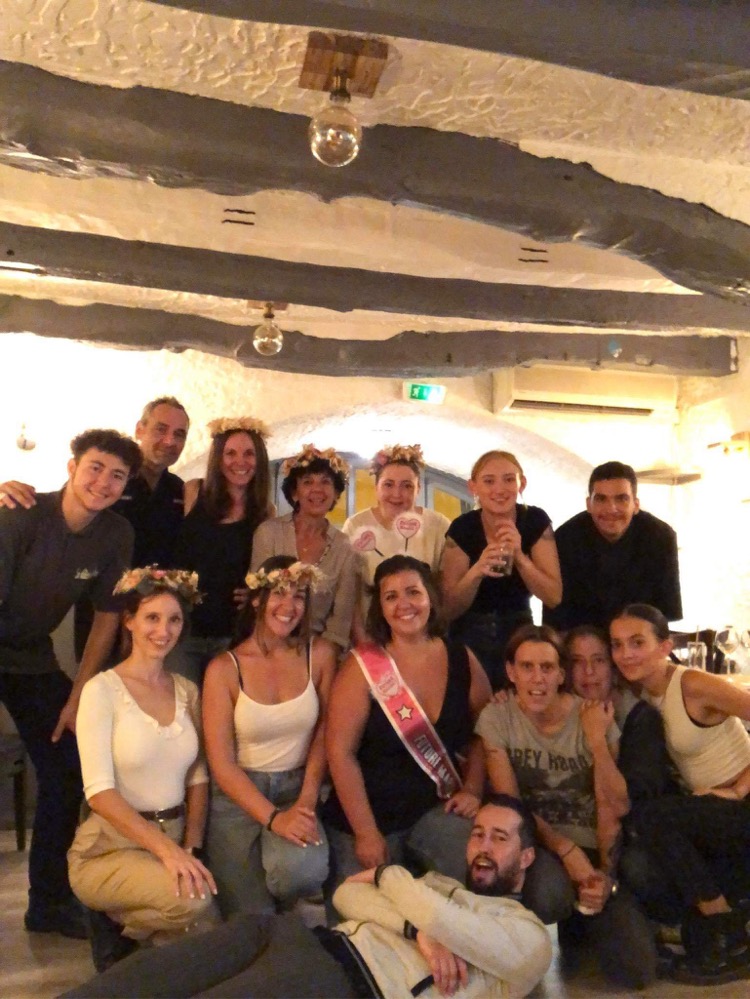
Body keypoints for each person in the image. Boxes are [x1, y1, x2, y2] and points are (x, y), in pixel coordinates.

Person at [61, 796, 552, 999]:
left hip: (343, 981)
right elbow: (350, 896)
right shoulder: (442, 886)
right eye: (478, 834)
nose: (483, 847)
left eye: (500, 839)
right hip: (296, 935)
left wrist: (390, 875)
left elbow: (436, 917)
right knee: (154, 973)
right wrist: (414, 929)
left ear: (527, 856)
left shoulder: (528, 939)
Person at [0, 429, 140, 938]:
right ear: (72, 467)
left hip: (31, 658)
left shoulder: (116, 533)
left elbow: (107, 616)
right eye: (95, 468)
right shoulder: (19, 513)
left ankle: (49, 903)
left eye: (117, 476)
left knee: (66, 768)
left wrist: (79, 694)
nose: (103, 482)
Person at [476, 623, 657, 988]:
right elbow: (512, 807)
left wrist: (604, 873)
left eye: (547, 667)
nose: (537, 678)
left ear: (561, 674)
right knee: (550, 894)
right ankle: (566, 917)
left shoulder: (592, 716)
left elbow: (614, 805)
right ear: (510, 672)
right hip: (540, 846)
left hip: (592, 846)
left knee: (637, 972)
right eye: (526, 667)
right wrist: (565, 849)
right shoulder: (497, 717)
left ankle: (584, 920)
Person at [67, 566, 217, 972]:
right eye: (152, 617)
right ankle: (124, 933)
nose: (163, 630)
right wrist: (168, 853)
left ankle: (131, 947)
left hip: (175, 833)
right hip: (109, 846)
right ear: (129, 620)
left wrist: (190, 846)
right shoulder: (102, 690)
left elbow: (197, 777)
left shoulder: (187, 690)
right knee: (193, 905)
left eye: (174, 620)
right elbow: (99, 793)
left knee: (204, 932)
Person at [324, 555, 492, 897]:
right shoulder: (362, 667)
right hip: (369, 818)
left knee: (476, 881)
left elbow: (485, 732)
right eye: (391, 596)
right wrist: (366, 833)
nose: (404, 604)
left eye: (413, 592)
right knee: (362, 915)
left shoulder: (462, 658)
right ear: (380, 608)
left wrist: (473, 789)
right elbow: (340, 754)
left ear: (430, 597)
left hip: (436, 811)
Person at [610, 604, 750, 984]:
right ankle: (723, 929)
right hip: (714, 813)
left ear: (665, 646)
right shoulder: (641, 691)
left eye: (637, 642)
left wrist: (739, 788)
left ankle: (727, 928)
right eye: (617, 644)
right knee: (698, 947)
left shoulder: (692, 685)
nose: (625, 654)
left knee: (652, 816)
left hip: (741, 804)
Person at [0, 397, 191, 656]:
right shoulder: (98, 488)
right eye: (161, 429)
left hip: (156, 619)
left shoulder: (180, 491)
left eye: (179, 434)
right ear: (140, 429)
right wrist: (5, 491)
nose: (169, 441)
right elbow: (66, 505)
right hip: (99, 610)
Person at [202, 557, 335, 917]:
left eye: (299, 596)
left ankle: (293, 898)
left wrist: (306, 801)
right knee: (250, 920)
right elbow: (222, 764)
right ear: (257, 599)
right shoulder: (223, 668)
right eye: (278, 593)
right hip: (238, 795)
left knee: (299, 875)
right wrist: (275, 819)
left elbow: (324, 735)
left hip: (297, 786)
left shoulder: (321, 654)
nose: (288, 606)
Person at [441, 450, 561, 689]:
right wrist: (477, 570)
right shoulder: (463, 528)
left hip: (519, 628)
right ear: (473, 487)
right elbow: (448, 609)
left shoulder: (534, 521)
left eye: (508, 480)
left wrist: (520, 557)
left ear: (521, 484)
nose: (499, 489)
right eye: (489, 481)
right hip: (469, 630)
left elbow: (553, 596)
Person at [170, 417, 273, 684]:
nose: (240, 461)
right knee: (181, 703)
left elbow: (264, 570)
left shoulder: (265, 511)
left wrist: (255, 591)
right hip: (183, 626)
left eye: (249, 453)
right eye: (230, 453)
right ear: (218, 457)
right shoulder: (193, 491)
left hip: (232, 631)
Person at [544, 460, 682, 632]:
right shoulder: (565, 538)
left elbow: (664, 615)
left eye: (621, 499)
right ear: (588, 504)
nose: (611, 509)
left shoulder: (661, 537)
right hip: (584, 641)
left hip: (639, 638)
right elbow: (557, 621)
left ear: (636, 505)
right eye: (601, 499)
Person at [251, 444, 357, 654]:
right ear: (294, 493)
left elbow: (340, 620)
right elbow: (258, 598)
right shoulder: (269, 533)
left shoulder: (345, 547)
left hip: (319, 652)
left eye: (325, 482)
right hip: (268, 646)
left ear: (336, 494)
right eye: (308, 482)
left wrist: (319, 658)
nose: (317, 489)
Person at [342, 444, 449, 637]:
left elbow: (444, 588)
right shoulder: (356, 526)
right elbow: (350, 590)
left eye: (407, 486)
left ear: (418, 489)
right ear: (376, 488)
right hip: (373, 633)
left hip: (425, 633)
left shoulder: (438, 525)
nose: (397, 494)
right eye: (388, 485)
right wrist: (362, 639)